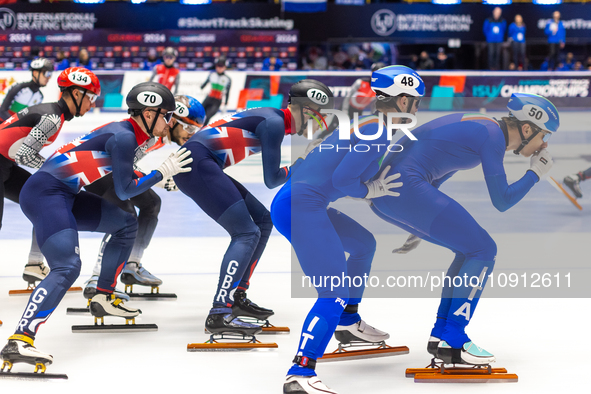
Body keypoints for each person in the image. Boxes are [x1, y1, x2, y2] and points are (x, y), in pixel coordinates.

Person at [0, 82, 193, 369]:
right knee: (67, 266)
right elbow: (126, 189)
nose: (168, 123)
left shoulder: (128, 132)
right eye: (165, 115)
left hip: (64, 192)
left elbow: (122, 174)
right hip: (46, 194)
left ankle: (103, 296)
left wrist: (156, 177)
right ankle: (19, 340)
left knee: (126, 223)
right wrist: (160, 172)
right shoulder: (125, 136)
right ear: (148, 114)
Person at [367, 93, 558, 367]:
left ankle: (442, 334)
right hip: (403, 187)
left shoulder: (483, 127)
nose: (546, 143)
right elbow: (502, 201)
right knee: (483, 249)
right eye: (545, 135)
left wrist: (417, 223)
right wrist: (534, 174)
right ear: (527, 129)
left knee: (467, 249)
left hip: (389, 192)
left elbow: (438, 173)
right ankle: (453, 338)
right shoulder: (491, 137)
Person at [276, 67, 424, 394]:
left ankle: (347, 321)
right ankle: (300, 372)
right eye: (416, 103)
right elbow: (345, 181)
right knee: (333, 292)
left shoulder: (366, 125)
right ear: (402, 101)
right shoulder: (378, 131)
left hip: (302, 203)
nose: (417, 110)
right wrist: (370, 190)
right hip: (303, 207)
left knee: (362, 244)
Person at [172, 79, 332, 338]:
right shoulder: (275, 123)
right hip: (198, 164)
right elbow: (272, 179)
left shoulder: (275, 119)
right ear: (304, 109)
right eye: (315, 117)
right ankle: (219, 311)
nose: (314, 125)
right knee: (246, 232)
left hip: (202, 162)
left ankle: (237, 296)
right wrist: (301, 166)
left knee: (263, 222)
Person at [82, 95, 206, 299]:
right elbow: (119, 163)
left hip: (107, 169)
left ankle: (131, 264)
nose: (191, 136)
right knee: (125, 214)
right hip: (94, 170)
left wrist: (156, 179)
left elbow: (126, 164)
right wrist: (158, 178)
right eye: (190, 129)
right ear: (173, 121)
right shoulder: (151, 132)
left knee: (151, 203)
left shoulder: (157, 135)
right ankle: (97, 276)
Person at [0, 67, 95, 288]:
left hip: (5, 164)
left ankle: (34, 264)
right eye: (91, 97)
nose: (93, 105)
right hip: (4, 163)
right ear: (77, 94)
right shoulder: (53, 117)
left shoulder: (52, 112)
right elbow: (25, 154)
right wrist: (57, 171)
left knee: (43, 199)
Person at [318, 62, 385, 141]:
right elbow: (348, 97)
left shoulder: (378, 90)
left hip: (358, 112)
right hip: (346, 108)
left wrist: (372, 116)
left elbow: (374, 104)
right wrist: (345, 111)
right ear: (371, 73)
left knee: (355, 133)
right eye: (375, 72)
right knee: (332, 127)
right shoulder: (360, 82)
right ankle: (318, 140)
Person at [200, 56, 231, 125]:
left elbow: (227, 93)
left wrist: (225, 105)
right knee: (199, 112)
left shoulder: (227, 79)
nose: (219, 68)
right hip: (208, 98)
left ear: (225, 67)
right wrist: (201, 87)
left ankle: (201, 131)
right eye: (218, 65)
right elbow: (204, 84)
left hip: (217, 102)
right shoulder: (212, 75)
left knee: (208, 116)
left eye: (221, 66)